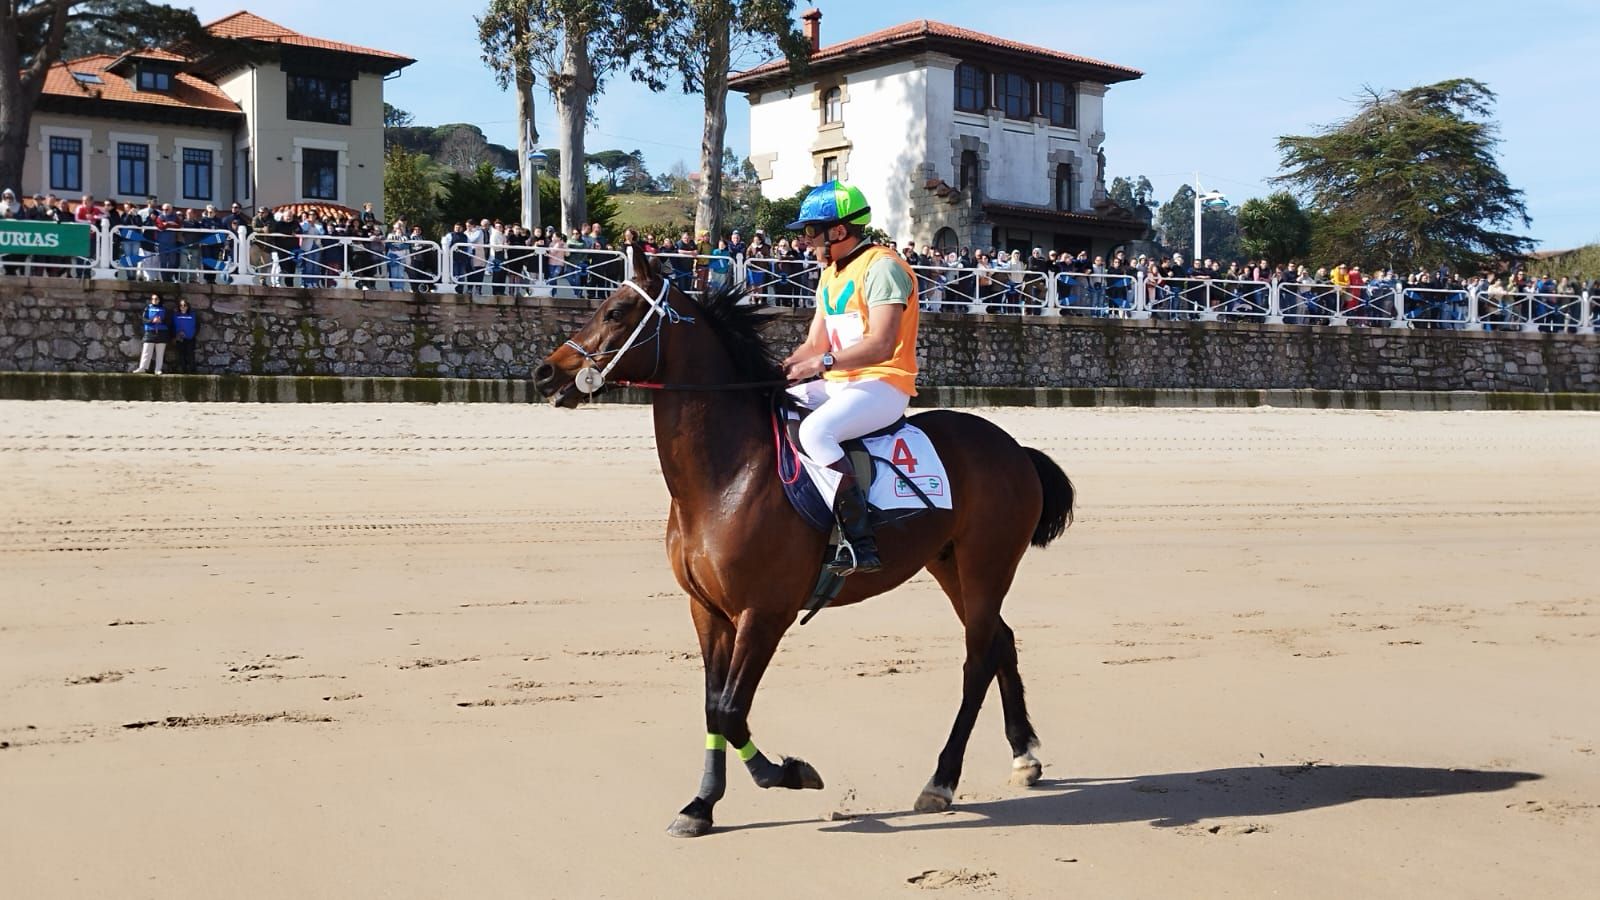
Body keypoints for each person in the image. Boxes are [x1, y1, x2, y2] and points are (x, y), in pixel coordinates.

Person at [780, 181, 919, 575]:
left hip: (883, 383)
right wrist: (781, 371)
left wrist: (820, 364)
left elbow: (880, 344)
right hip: (841, 382)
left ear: (839, 231)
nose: (806, 241)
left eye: (811, 231)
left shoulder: (884, 268)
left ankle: (859, 541)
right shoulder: (830, 274)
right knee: (773, 403)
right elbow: (812, 344)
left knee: (816, 434)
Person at [132, 293, 171, 374]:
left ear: (159, 300)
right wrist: (152, 320)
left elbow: (169, 321)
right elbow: (143, 319)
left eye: (156, 299)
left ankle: (158, 369)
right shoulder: (147, 308)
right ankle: (142, 368)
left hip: (162, 332)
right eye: (153, 299)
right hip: (150, 332)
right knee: (146, 351)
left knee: (160, 353)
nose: (154, 300)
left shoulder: (164, 309)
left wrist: (161, 321)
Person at [171, 298, 199, 374]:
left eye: (185, 305)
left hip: (190, 338)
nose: (183, 307)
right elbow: (172, 326)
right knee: (181, 354)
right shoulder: (175, 315)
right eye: (181, 305)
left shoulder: (193, 315)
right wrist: (174, 336)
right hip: (180, 338)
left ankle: (193, 371)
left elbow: (197, 325)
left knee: (190, 354)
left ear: (188, 306)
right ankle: (184, 371)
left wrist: (193, 334)